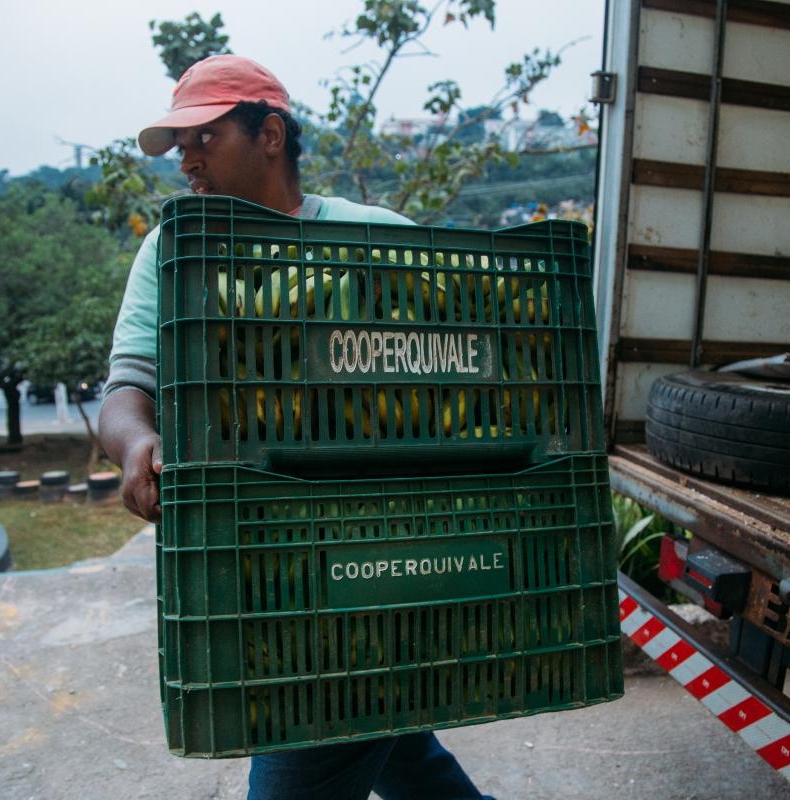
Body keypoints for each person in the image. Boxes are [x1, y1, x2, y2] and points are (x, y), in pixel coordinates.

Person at [98, 55, 494, 800]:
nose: (186, 159)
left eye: (205, 137)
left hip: (380, 562)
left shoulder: (376, 237)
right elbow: (128, 384)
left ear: (270, 135)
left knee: (322, 733)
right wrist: (136, 443)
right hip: (256, 567)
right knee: (398, 744)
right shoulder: (173, 248)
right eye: (179, 144)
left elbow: (475, 361)